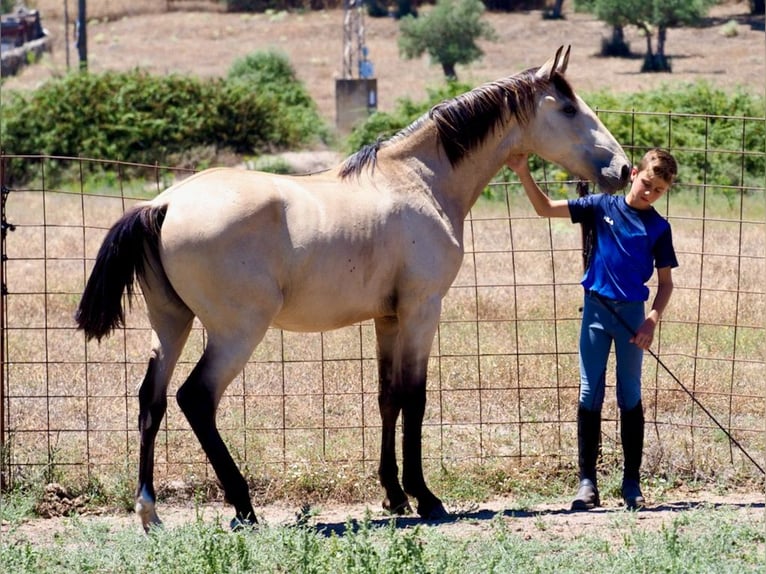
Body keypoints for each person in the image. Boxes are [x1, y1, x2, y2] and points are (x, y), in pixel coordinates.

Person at [507, 148, 678, 511]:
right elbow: (545, 209)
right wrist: (523, 171)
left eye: (658, 190)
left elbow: (665, 284)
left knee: (629, 395)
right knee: (589, 394)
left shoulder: (660, 229)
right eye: (647, 183)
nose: (649, 193)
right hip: (596, 314)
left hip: (633, 320)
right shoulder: (602, 206)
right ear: (634, 174)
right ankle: (587, 483)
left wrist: (651, 320)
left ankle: (631, 482)